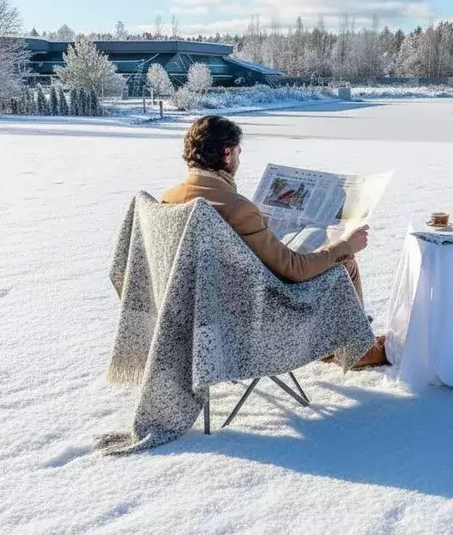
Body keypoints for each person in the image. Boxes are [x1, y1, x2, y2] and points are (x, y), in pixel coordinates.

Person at [161, 115, 387, 367]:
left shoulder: (169, 199)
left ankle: (333, 344)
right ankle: (356, 350)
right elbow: (295, 270)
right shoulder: (237, 209)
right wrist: (346, 245)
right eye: (238, 152)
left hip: (193, 320)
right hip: (250, 320)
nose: (239, 159)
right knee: (345, 263)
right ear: (227, 154)